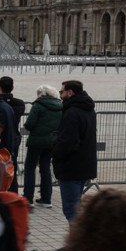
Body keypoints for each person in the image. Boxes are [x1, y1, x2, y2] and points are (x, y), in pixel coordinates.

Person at [51, 80, 97, 221]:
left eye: (61, 92)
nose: (60, 95)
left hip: (71, 167)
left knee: (71, 209)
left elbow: (67, 142)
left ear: (70, 92)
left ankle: (78, 241)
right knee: (76, 206)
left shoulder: (72, 112)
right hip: (85, 164)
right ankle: (79, 240)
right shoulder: (89, 109)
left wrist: (54, 144)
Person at [22, 85, 62, 208]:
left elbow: (29, 124)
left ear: (41, 94)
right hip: (52, 141)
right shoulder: (61, 106)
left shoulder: (38, 105)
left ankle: (28, 198)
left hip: (36, 141)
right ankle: (46, 199)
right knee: (45, 167)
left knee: (30, 168)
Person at [0, 76, 25, 193]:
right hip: (14, 138)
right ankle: (13, 194)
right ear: (12, 87)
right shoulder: (19, 103)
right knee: (12, 166)